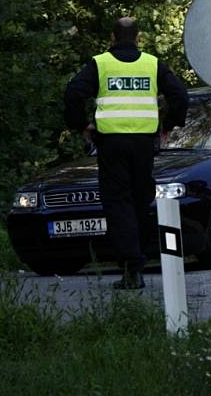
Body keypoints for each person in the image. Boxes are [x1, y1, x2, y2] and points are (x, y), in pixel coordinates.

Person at [64, 17, 188, 289]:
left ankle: (132, 268)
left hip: (112, 143)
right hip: (144, 144)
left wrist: (81, 124)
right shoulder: (152, 64)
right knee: (141, 200)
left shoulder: (100, 64)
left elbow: (73, 92)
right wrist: (167, 125)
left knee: (119, 202)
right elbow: (180, 95)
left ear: (112, 37)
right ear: (138, 37)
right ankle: (140, 259)